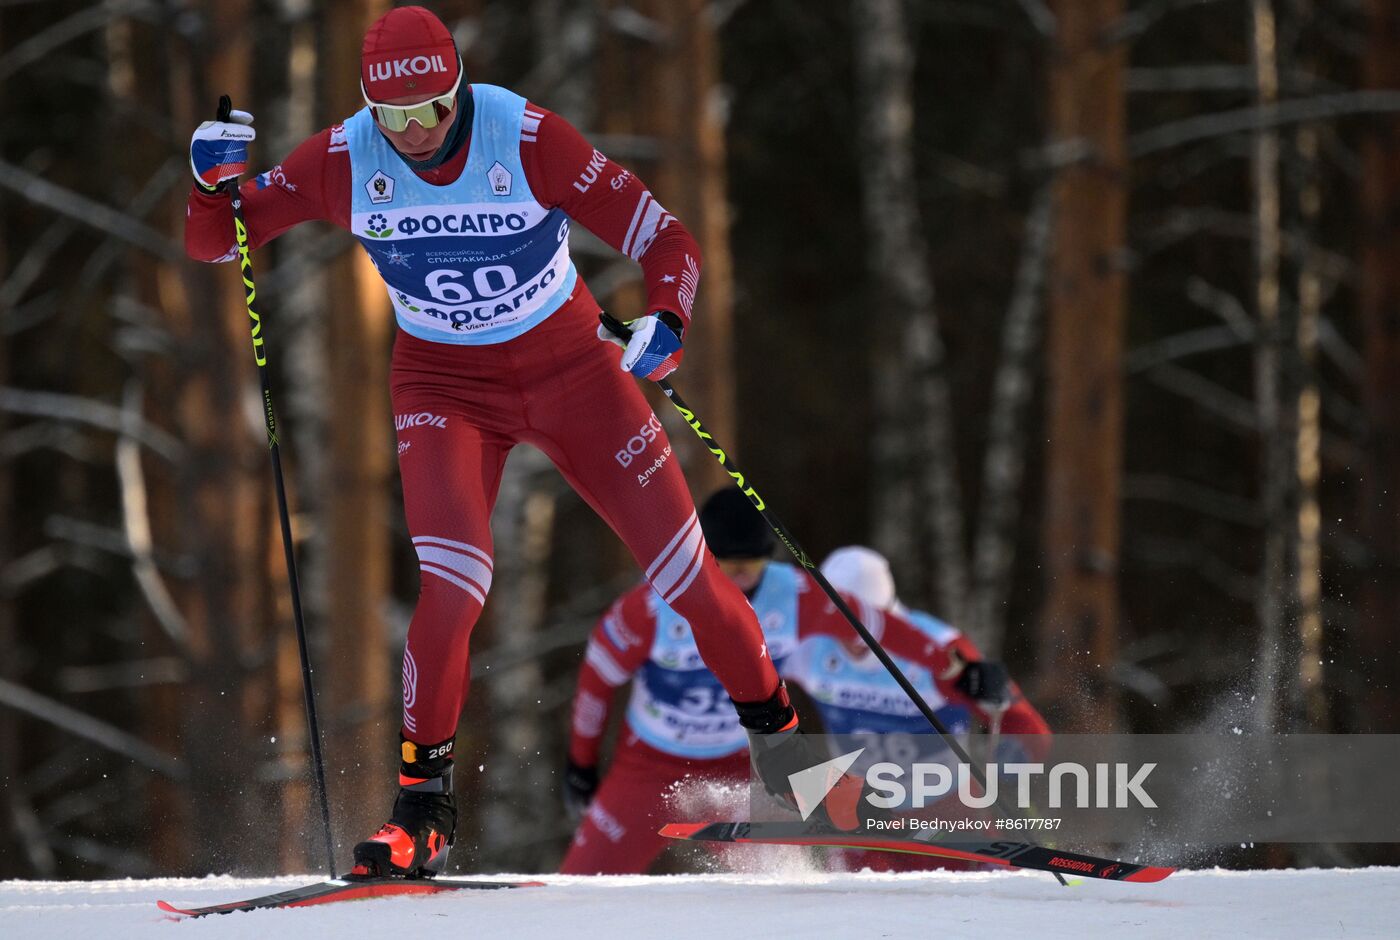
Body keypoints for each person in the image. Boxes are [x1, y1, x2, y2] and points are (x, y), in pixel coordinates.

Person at [184, 6, 815, 878]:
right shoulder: (345, 156)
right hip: (444, 388)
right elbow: (218, 239)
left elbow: (663, 237)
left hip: (575, 373)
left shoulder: (527, 138)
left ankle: (794, 770)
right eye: (391, 116)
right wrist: (211, 183)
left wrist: (668, 320)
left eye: (431, 112)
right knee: (450, 588)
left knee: (689, 582)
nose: (411, 135)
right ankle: (422, 813)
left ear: (460, 90)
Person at [559, 489, 1015, 874]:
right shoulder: (651, 608)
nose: (740, 576)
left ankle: (912, 836)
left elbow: (877, 625)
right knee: (583, 879)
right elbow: (596, 682)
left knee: (779, 883)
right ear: (704, 555)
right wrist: (580, 763)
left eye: (752, 564)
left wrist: (962, 668)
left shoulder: (793, 595)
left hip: (751, 760)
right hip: (652, 764)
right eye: (728, 564)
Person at [786, 545, 1050, 872]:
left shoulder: (939, 649)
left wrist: (1007, 774)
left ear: (882, 614)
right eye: (834, 623)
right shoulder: (809, 646)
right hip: (863, 820)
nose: (846, 639)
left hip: (950, 817)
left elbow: (1028, 728)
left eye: (857, 625)